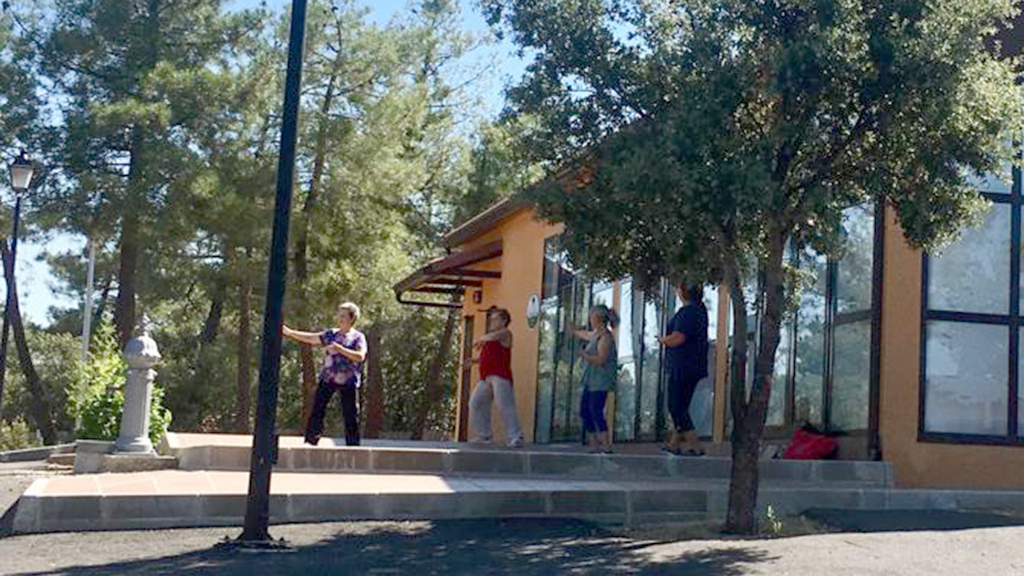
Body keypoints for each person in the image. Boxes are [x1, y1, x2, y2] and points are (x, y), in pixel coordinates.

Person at [282, 302, 367, 446]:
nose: (340, 318)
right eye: (339, 315)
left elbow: (360, 356)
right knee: (318, 408)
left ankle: (353, 445)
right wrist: (290, 333)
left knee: (351, 413)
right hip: (328, 378)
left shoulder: (358, 337)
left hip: (348, 381)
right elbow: (312, 338)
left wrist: (340, 349)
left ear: (351, 318)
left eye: (343, 315)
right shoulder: (331, 334)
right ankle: (311, 440)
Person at [660, 282, 709, 456]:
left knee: (675, 405)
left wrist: (663, 340)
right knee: (682, 405)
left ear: (683, 292)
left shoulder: (688, 312)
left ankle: (694, 443)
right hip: (694, 365)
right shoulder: (701, 310)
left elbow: (679, 337)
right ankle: (674, 443)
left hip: (682, 366)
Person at [468, 307, 524, 448]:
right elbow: (488, 357)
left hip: (500, 377)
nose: (491, 322)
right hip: (486, 377)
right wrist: (474, 361)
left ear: (503, 320)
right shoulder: (490, 337)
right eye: (491, 319)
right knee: (476, 403)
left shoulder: (505, 333)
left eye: (495, 319)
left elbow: (492, 337)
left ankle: (515, 436)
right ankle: (484, 435)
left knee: (504, 405)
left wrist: (482, 339)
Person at [570, 305, 618, 454]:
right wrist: (573, 330)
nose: (590, 320)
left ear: (597, 319)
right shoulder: (596, 334)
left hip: (600, 381)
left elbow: (601, 359)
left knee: (596, 410)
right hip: (590, 380)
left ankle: (605, 444)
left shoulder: (605, 337)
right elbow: (586, 334)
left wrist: (585, 355)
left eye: (591, 317)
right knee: (585, 410)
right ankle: (594, 443)